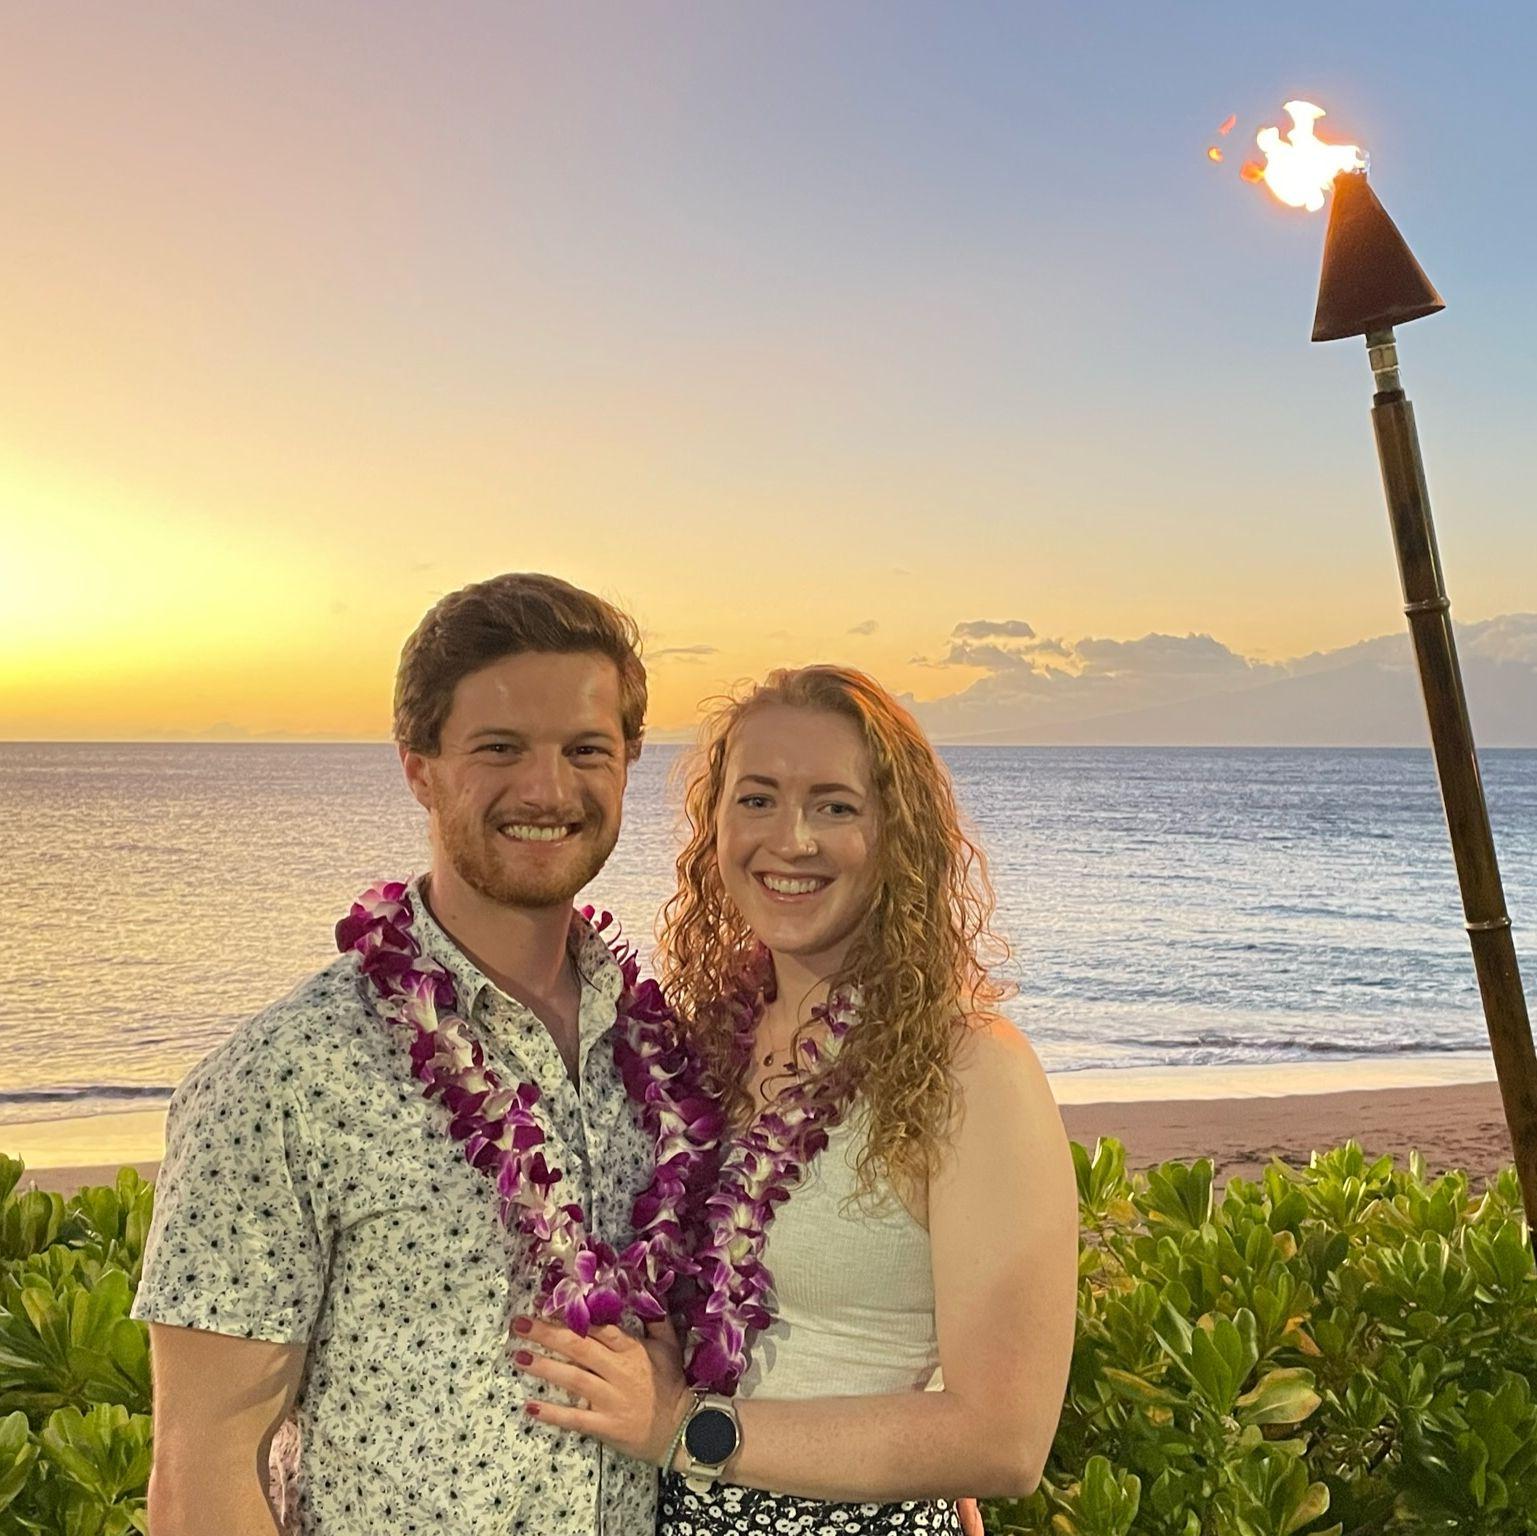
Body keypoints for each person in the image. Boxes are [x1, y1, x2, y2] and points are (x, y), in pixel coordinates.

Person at [133, 572, 675, 1535]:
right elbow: (204, 1475)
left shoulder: (662, 1059)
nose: (547, 789)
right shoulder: (286, 1078)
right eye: (498, 748)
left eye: (585, 749)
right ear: (419, 765)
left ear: (628, 761)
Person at [510, 666, 1079, 1534]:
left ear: (897, 835)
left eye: (835, 806)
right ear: (716, 827)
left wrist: (678, 1429)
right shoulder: (700, 1045)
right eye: (758, 800)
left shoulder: (969, 1070)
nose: (792, 839)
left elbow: (1002, 1437)